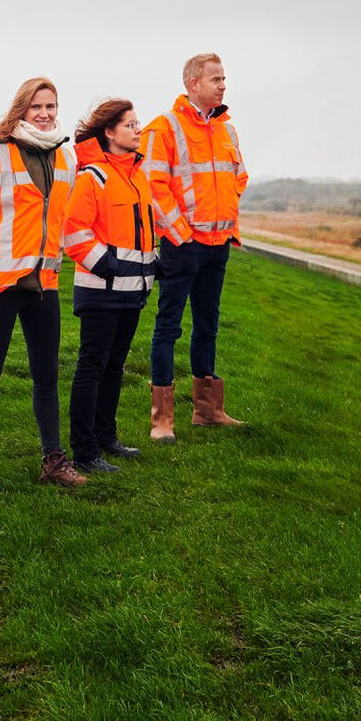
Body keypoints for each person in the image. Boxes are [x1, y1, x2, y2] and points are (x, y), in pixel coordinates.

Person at [0, 76, 86, 499]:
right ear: (21, 110)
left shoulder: (65, 158)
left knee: (46, 377)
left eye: (51, 106)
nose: (46, 113)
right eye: (37, 107)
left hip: (44, 284)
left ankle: (54, 460)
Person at [140, 53, 248, 437]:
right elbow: (152, 187)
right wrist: (181, 233)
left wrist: (227, 226)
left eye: (224, 78)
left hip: (218, 244)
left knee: (208, 325)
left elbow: (238, 177)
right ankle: (162, 419)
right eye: (216, 79)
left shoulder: (227, 130)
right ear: (193, 84)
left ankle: (208, 410)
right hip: (182, 245)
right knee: (168, 327)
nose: (223, 85)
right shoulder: (163, 128)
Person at [61, 98, 158, 472]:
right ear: (109, 132)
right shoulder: (93, 177)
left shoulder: (136, 175)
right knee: (93, 367)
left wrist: (155, 266)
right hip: (102, 291)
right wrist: (111, 267)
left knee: (114, 367)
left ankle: (106, 437)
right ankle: (84, 452)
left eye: (138, 124)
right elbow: (75, 234)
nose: (138, 130)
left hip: (132, 293)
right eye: (131, 125)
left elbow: (141, 232)